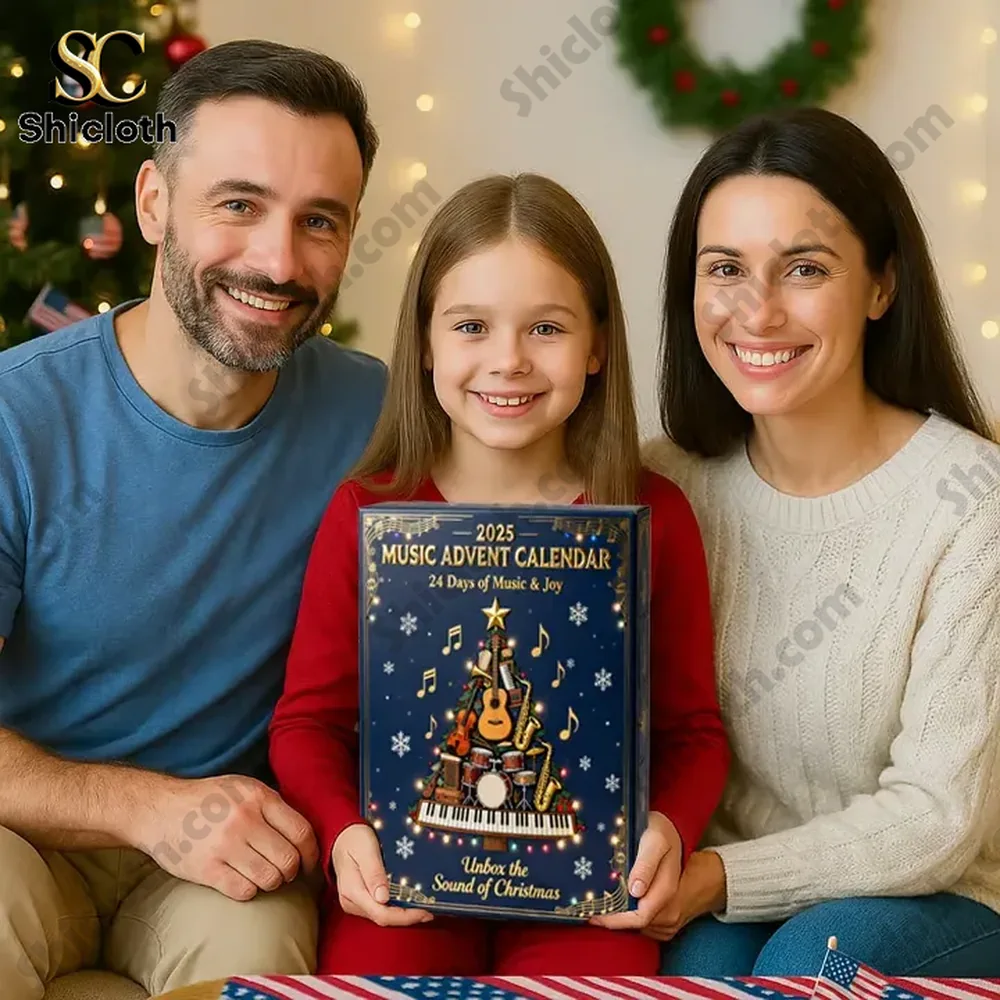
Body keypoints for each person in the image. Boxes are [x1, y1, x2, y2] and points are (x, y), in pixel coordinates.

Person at [268, 172, 731, 975]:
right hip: (404, 888)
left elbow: (693, 732)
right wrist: (344, 833)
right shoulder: (367, 511)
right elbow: (308, 721)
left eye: (546, 327)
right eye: (472, 326)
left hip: (588, 890)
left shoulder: (655, 515)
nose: (507, 361)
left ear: (596, 346)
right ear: (424, 343)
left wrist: (669, 830)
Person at [0, 40, 387, 999]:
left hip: (231, 859)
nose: (278, 260)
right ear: (153, 202)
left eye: (320, 221)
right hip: (23, 833)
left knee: (257, 965)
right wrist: (147, 807)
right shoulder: (15, 420)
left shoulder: (380, 419)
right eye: (239, 204)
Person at [643, 107, 1000, 976]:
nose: (758, 311)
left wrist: (719, 874)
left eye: (804, 268)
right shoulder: (661, 485)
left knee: (812, 962)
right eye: (725, 269)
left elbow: (936, 818)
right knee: (686, 973)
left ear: (881, 286)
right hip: (714, 893)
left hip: (944, 895)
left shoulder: (972, 502)